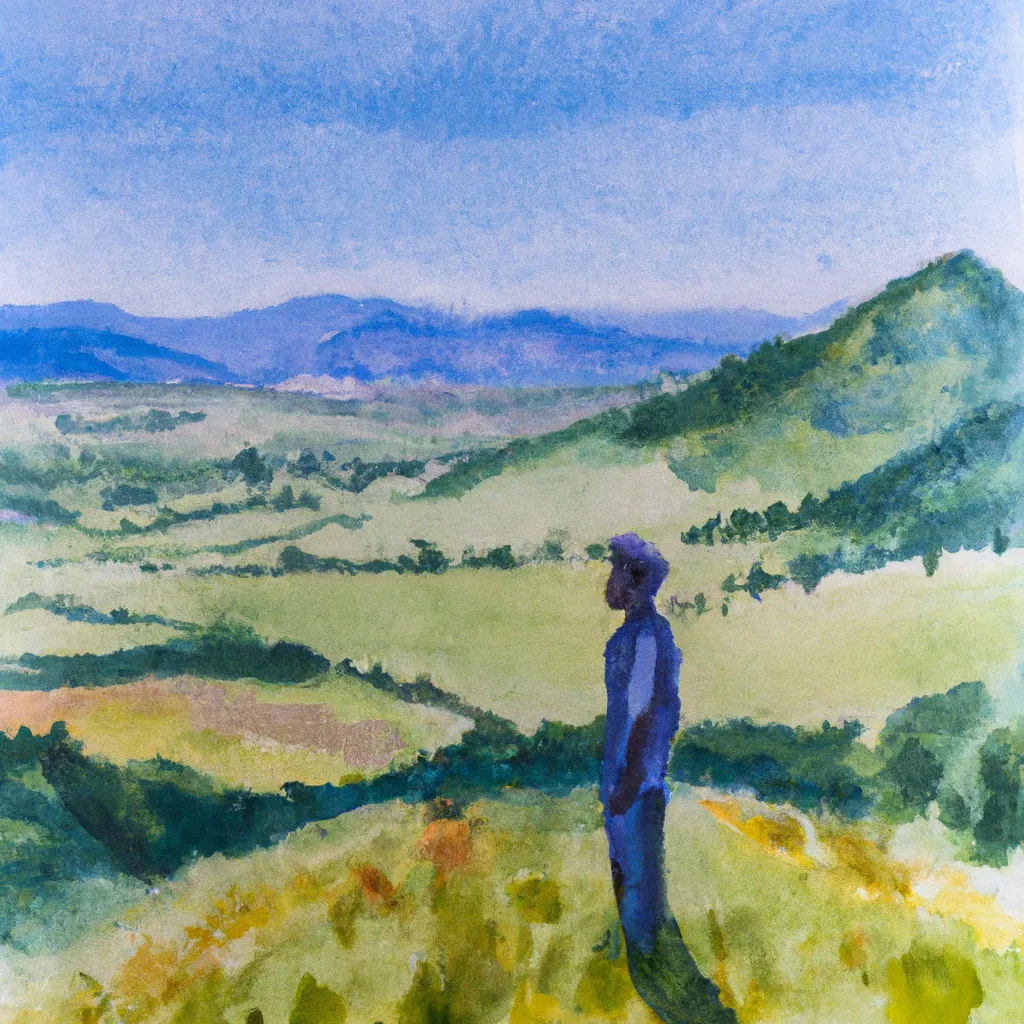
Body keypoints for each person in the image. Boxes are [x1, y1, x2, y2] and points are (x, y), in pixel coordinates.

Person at [602, 533, 736, 1024]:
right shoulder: (635, 636)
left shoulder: (645, 638)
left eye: (615, 571)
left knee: (644, 920)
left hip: (634, 794)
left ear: (633, 581)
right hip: (626, 794)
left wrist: (624, 787)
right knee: (638, 913)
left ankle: (702, 1014)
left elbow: (644, 717)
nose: (608, 582)